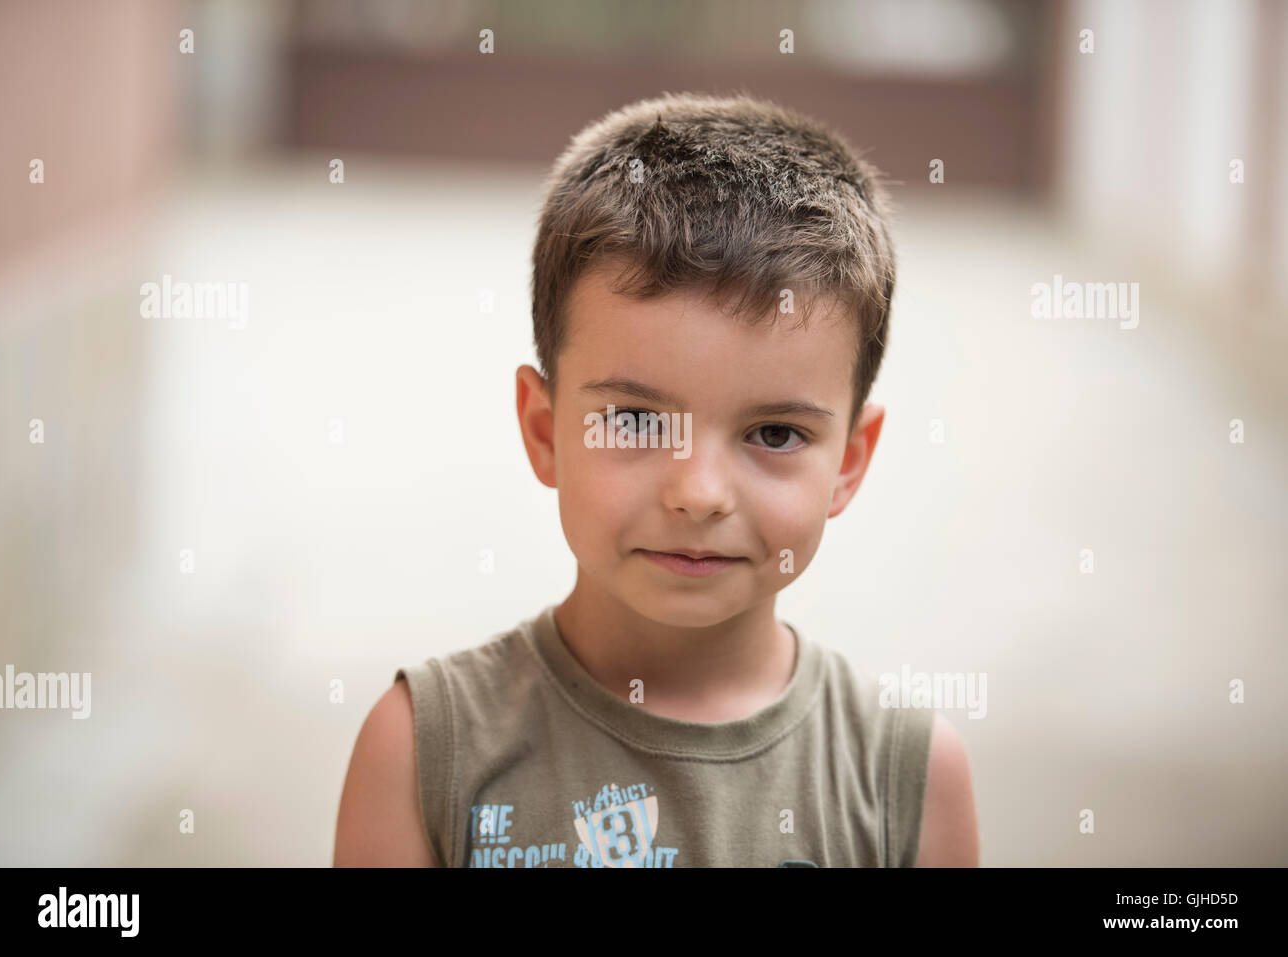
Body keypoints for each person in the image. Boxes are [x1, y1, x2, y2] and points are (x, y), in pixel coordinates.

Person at [334, 91, 979, 867]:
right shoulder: (422, 754)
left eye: (775, 433)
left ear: (848, 461)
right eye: (637, 421)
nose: (699, 491)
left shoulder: (906, 780)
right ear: (545, 430)